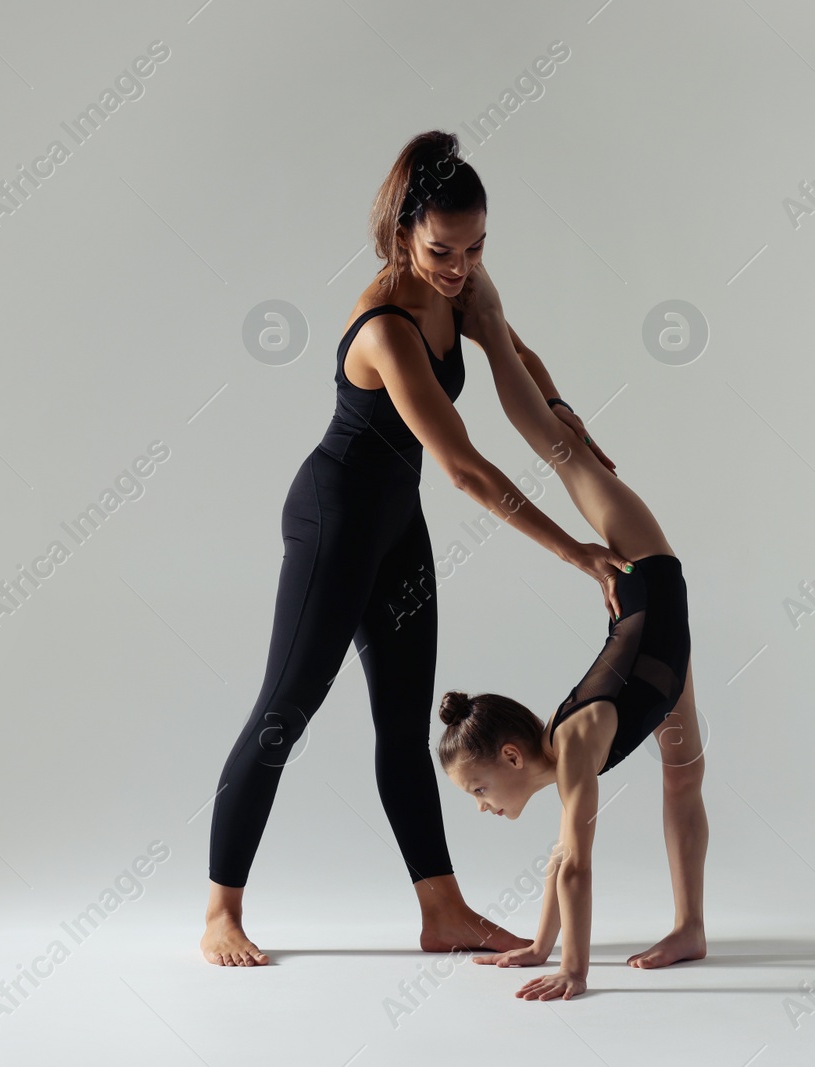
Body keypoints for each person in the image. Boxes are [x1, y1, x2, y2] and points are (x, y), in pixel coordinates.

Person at [202, 131, 637, 966]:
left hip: (396, 525)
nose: (460, 267)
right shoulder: (386, 327)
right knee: (281, 715)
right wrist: (576, 552)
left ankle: (443, 910)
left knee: (404, 727)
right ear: (405, 233)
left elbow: (508, 341)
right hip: (335, 520)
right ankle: (221, 909)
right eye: (442, 250)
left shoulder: (462, 283)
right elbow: (467, 469)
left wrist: (559, 404)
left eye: (476, 248)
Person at [435, 262, 708, 1000]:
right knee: (682, 778)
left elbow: (579, 863)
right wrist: (536, 945)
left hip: (644, 573)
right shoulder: (561, 753)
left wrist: (572, 971)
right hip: (662, 653)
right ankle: (691, 926)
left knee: (560, 449)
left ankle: (486, 317)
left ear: (513, 754)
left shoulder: (580, 741)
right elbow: (562, 860)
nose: (484, 805)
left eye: (479, 789)